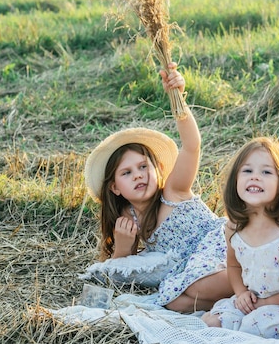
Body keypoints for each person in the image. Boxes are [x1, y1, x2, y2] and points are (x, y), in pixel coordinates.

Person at [84, 63, 233, 313]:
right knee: (173, 301)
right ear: (115, 188)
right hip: (190, 270)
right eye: (127, 173)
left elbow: (192, 146)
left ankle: (262, 282)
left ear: (157, 169)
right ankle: (244, 301)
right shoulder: (129, 219)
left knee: (196, 288)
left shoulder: (173, 191)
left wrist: (179, 100)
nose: (138, 176)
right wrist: (122, 247)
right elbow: (121, 271)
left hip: (220, 249)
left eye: (143, 166)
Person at [201, 137, 279, 338]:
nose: (255, 177)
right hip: (255, 299)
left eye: (266, 172)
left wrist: (267, 303)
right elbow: (233, 266)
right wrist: (241, 293)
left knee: (253, 329)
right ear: (236, 181)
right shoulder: (234, 227)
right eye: (247, 171)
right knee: (212, 322)